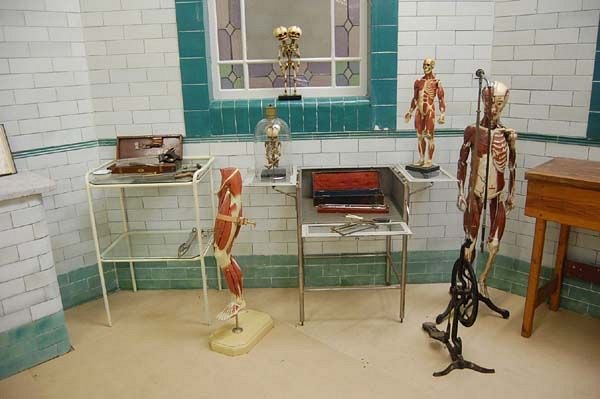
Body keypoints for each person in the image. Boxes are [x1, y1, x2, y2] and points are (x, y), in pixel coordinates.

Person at [456, 81, 517, 297]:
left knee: (494, 244)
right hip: (476, 190)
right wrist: (460, 191)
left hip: (497, 194)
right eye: (491, 102)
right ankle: (465, 281)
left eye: (499, 104)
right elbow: (462, 161)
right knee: (470, 240)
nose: (494, 108)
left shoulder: (507, 134)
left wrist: (512, 193)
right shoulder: (473, 130)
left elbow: (512, 166)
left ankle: (483, 280)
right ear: (484, 102)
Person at [213, 168, 253, 320]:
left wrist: (219, 244)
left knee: (221, 257)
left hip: (226, 230)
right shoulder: (235, 197)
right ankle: (238, 298)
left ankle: (237, 300)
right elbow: (233, 218)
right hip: (229, 228)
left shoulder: (231, 197)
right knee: (226, 257)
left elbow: (224, 220)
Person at [404, 58, 446, 168]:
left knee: (430, 136)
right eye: (424, 65)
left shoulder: (436, 82)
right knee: (419, 136)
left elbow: (441, 99)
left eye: (428, 65)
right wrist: (410, 111)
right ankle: (422, 159)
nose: (425, 67)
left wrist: (442, 114)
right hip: (419, 110)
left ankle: (430, 160)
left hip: (429, 110)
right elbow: (415, 98)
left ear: (432, 66)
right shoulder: (418, 82)